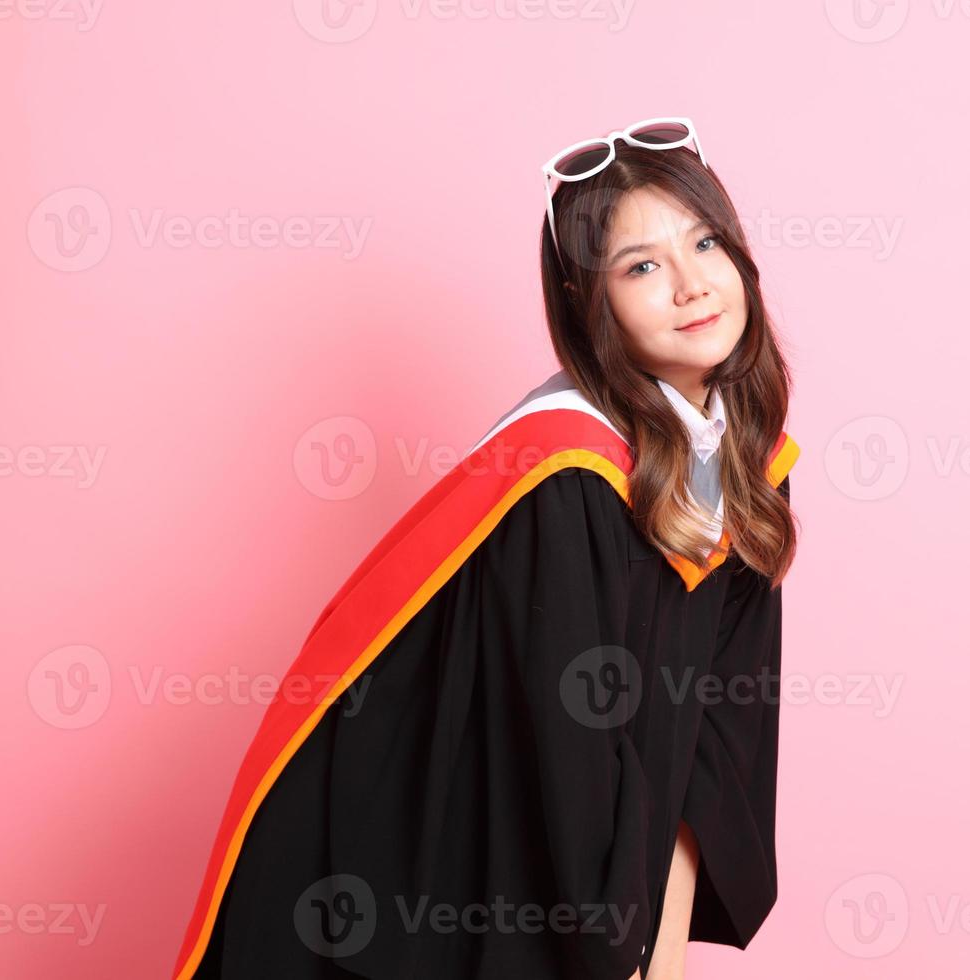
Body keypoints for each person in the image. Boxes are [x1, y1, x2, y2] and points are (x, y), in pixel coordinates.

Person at [173, 117, 801, 980]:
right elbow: (566, 769)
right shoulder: (567, 478)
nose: (690, 285)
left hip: (593, 897)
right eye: (642, 266)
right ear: (593, 306)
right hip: (430, 883)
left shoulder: (745, 463)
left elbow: (712, 740)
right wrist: (620, 955)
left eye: (704, 242)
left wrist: (663, 961)